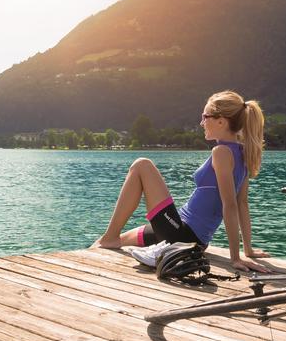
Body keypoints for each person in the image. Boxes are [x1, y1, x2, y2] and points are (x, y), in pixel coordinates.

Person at [92, 90, 272, 273]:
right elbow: (242, 204)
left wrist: (235, 258)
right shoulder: (243, 153)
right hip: (183, 232)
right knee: (114, 242)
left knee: (141, 165)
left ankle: (109, 236)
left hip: (182, 235)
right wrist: (247, 250)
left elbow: (231, 205)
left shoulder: (222, 152)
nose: (202, 122)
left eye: (205, 116)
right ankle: (108, 239)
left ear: (221, 121)